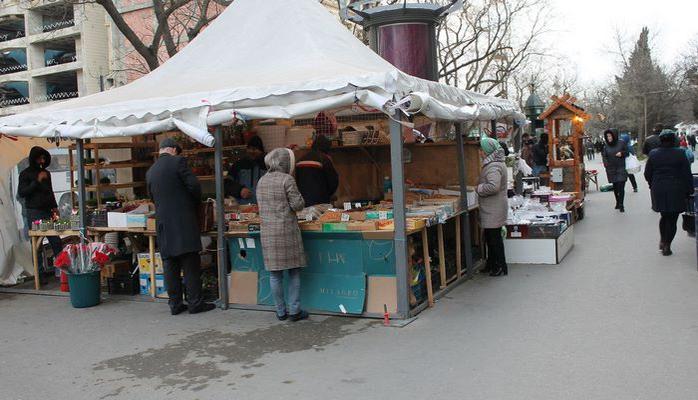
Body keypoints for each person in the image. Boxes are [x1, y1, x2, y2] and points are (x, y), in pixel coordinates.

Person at [146, 138, 215, 315]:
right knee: (190, 262)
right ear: (174, 150)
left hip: (163, 222)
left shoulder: (151, 171)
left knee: (170, 264)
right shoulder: (178, 162)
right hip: (183, 221)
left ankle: (175, 304)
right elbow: (194, 186)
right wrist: (193, 204)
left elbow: (152, 197)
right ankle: (195, 303)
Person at [256, 148, 308, 321]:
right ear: (286, 163)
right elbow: (297, 205)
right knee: (294, 271)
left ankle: (280, 312)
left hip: (268, 233)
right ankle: (295, 311)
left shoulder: (261, 181)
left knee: (274, 274)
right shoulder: (287, 179)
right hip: (287, 231)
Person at [644, 130, 693, 256]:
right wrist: (689, 190)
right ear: (674, 140)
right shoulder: (680, 153)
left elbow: (647, 173)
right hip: (676, 188)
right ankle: (667, 244)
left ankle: (662, 239)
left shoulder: (653, 154)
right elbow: (686, 174)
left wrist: (652, 184)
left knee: (664, 215)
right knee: (672, 219)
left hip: (658, 188)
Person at [17, 146, 62, 269]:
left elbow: (50, 191)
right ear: (34, 159)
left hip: (47, 211)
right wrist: (37, 181)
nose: (42, 161)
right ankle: (39, 273)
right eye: (40, 159)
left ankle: (62, 268)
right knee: (37, 243)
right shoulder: (25, 174)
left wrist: (55, 207)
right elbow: (22, 192)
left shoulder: (46, 173)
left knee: (55, 240)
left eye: (43, 158)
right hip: (34, 211)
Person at [476, 137, 508, 277]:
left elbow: (493, 187)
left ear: (487, 151)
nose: (479, 152)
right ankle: (492, 264)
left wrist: (479, 188)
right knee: (491, 238)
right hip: (494, 207)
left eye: (481, 149)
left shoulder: (493, 166)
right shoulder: (495, 163)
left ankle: (499, 266)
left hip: (493, 208)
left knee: (494, 239)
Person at [295, 134, 339, 206]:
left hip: (303, 201)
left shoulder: (300, 160)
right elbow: (333, 181)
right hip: (321, 201)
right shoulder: (324, 159)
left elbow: (297, 181)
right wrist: (328, 195)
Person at [225, 135, 266, 204]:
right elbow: (227, 184)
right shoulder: (238, 165)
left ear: (261, 151)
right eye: (250, 148)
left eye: (255, 149)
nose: (252, 151)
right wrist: (239, 190)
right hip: (243, 208)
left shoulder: (267, 165)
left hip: (264, 207)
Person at [602, 129, 629, 212]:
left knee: (621, 186)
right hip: (611, 169)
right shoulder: (606, 146)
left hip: (621, 167)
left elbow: (627, 152)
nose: (609, 138)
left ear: (614, 135)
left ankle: (621, 204)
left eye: (610, 136)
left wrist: (622, 153)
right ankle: (617, 201)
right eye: (607, 136)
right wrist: (606, 165)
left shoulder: (621, 143)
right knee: (615, 187)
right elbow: (604, 156)